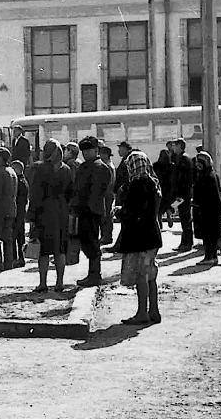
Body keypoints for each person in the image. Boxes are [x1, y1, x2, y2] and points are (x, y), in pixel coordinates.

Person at [117, 150, 163, 325]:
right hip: (152, 235)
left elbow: (135, 211)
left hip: (140, 236)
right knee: (151, 274)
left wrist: (120, 212)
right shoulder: (153, 182)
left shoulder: (137, 184)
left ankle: (142, 313)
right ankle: (154, 311)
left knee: (141, 276)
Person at [28, 139, 74, 293]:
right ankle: (59, 282)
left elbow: (35, 194)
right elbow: (71, 193)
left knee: (44, 250)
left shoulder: (39, 169)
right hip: (61, 211)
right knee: (60, 249)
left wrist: (31, 216)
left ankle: (43, 283)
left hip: (44, 211)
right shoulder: (66, 169)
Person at [73, 136, 112, 288]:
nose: (85, 153)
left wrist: (86, 206)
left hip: (92, 211)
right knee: (86, 242)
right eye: (83, 151)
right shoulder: (85, 166)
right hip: (84, 210)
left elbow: (97, 191)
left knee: (92, 243)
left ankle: (95, 274)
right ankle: (92, 273)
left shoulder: (99, 167)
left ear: (96, 150)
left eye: (88, 150)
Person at [193, 151, 221, 266]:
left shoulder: (208, 177)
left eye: (200, 162)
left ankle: (210, 257)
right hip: (210, 210)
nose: (197, 165)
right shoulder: (211, 175)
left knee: (209, 235)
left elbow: (207, 195)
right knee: (209, 235)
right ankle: (210, 256)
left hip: (208, 211)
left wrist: (198, 204)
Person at [171, 138, 196, 252]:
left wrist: (178, 194)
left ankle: (187, 243)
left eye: (175, 145)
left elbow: (182, 179)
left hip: (183, 194)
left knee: (185, 218)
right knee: (184, 218)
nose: (173, 148)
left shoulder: (183, 159)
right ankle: (185, 242)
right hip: (184, 193)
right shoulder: (184, 158)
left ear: (180, 146)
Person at [10, 159, 29, 268]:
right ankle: (19, 258)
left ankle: (16, 258)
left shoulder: (19, 183)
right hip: (21, 212)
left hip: (18, 212)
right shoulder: (23, 181)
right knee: (19, 236)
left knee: (15, 236)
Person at [153, 149, 175, 228]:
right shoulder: (171, 165)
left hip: (160, 187)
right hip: (168, 188)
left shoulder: (155, 165)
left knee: (159, 207)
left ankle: (160, 220)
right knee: (168, 205)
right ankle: (169, 215)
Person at [98, 144, 116, 245]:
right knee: (106, 216)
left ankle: (106, 236)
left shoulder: (108, 166)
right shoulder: (108, 165)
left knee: (106, 217)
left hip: (106, 194)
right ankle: (106, 236)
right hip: (108, 194)